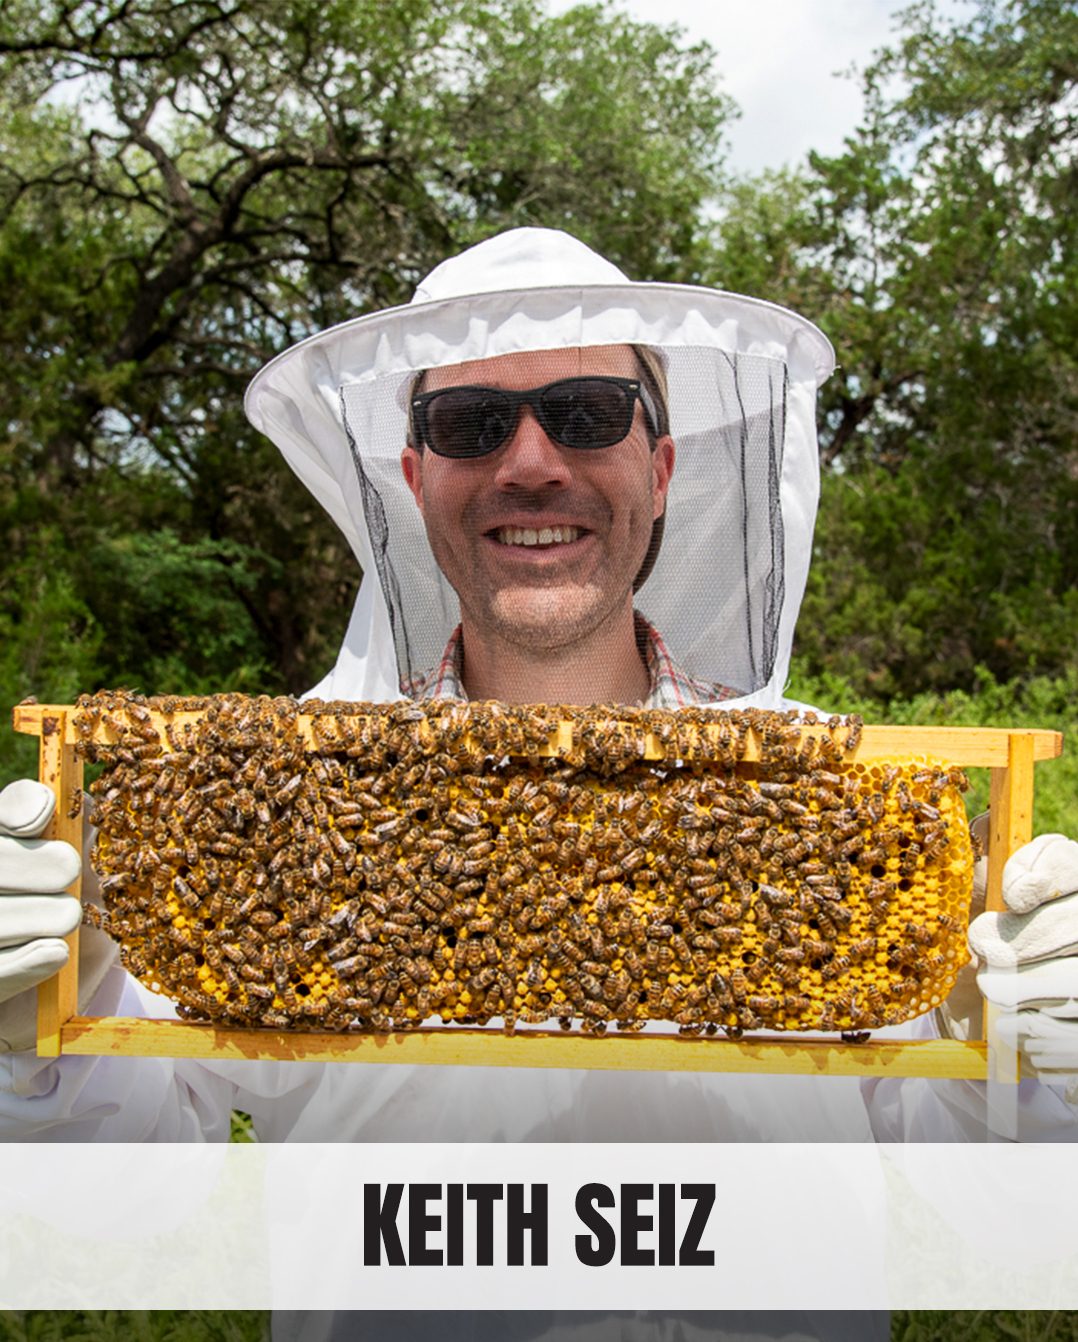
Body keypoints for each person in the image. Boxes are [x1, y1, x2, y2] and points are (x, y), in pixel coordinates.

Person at [0, 228, 1075, 1334]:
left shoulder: (840, 809)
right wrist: (48, 1013)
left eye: (587, 414)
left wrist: (1025, 1062)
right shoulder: (281, 807)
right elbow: (129, 1194)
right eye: (469, 424)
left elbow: (1002, 1209)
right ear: (417, 479)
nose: (529, 463)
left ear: (657, 471)